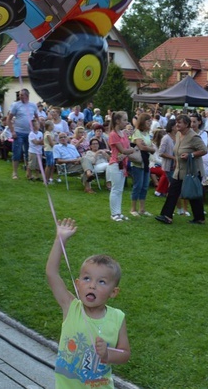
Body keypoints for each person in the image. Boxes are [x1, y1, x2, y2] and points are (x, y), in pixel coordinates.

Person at [46, 219, 130, 387]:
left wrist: (107, 354)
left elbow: (125, 353)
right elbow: (52, 274)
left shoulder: (117, 318)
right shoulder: (71, 307)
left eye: (102, 282)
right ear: (77, 284)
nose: (92, 285)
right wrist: (59, 240)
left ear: (113, 292)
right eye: (87, 279)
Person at [155, 114, 207, 225]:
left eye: (179, 123)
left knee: (193, 194)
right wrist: (176, 161)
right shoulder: (178, 134)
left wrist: (191, 155)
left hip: (192, 170)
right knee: (173, 192)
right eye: (176, 122)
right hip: (179, 169)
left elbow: (204, 150)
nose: (177, 125)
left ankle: (199, 218)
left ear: (187, 124)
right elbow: (177, 150)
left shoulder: (194, 137)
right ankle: (167, 216)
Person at [107, 111, 134, 222]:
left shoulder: (123, 133)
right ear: (117, 121)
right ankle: (114, 214)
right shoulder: (113, 134)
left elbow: (125, 150)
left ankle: (118, 212)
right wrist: (132, 150)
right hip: (115, 164)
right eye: (124, 120)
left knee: (120, 190)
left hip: (122, 164)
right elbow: (123, 150)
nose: (126, 122)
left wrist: (127, 152)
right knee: (115, 189)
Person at [7, 88, 39, 179]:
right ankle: (15, 173)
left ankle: (29, 173)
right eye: (19, 95)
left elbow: (37, 118)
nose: (20, 96)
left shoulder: (33, 105)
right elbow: (9, 119)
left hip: (30, 133)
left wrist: (36, 129)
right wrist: (12, 131)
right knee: (17, 152)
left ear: (27, 96)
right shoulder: (16, 105)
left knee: (30, 153)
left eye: (21, 95)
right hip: (18, 132)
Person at [130, 113, 155, 217]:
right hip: (137, 163)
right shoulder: (137, 133)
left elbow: (150, 147)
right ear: (142, 121)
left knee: (145, 186)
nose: (150, 123)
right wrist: (150, 149)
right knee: (138, 186)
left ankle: (142, 209)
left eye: (150, 121)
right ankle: (133, 209)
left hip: (146, 163)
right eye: (148, 121)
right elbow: (142, 147)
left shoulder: (146, 134)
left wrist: (149, 148)